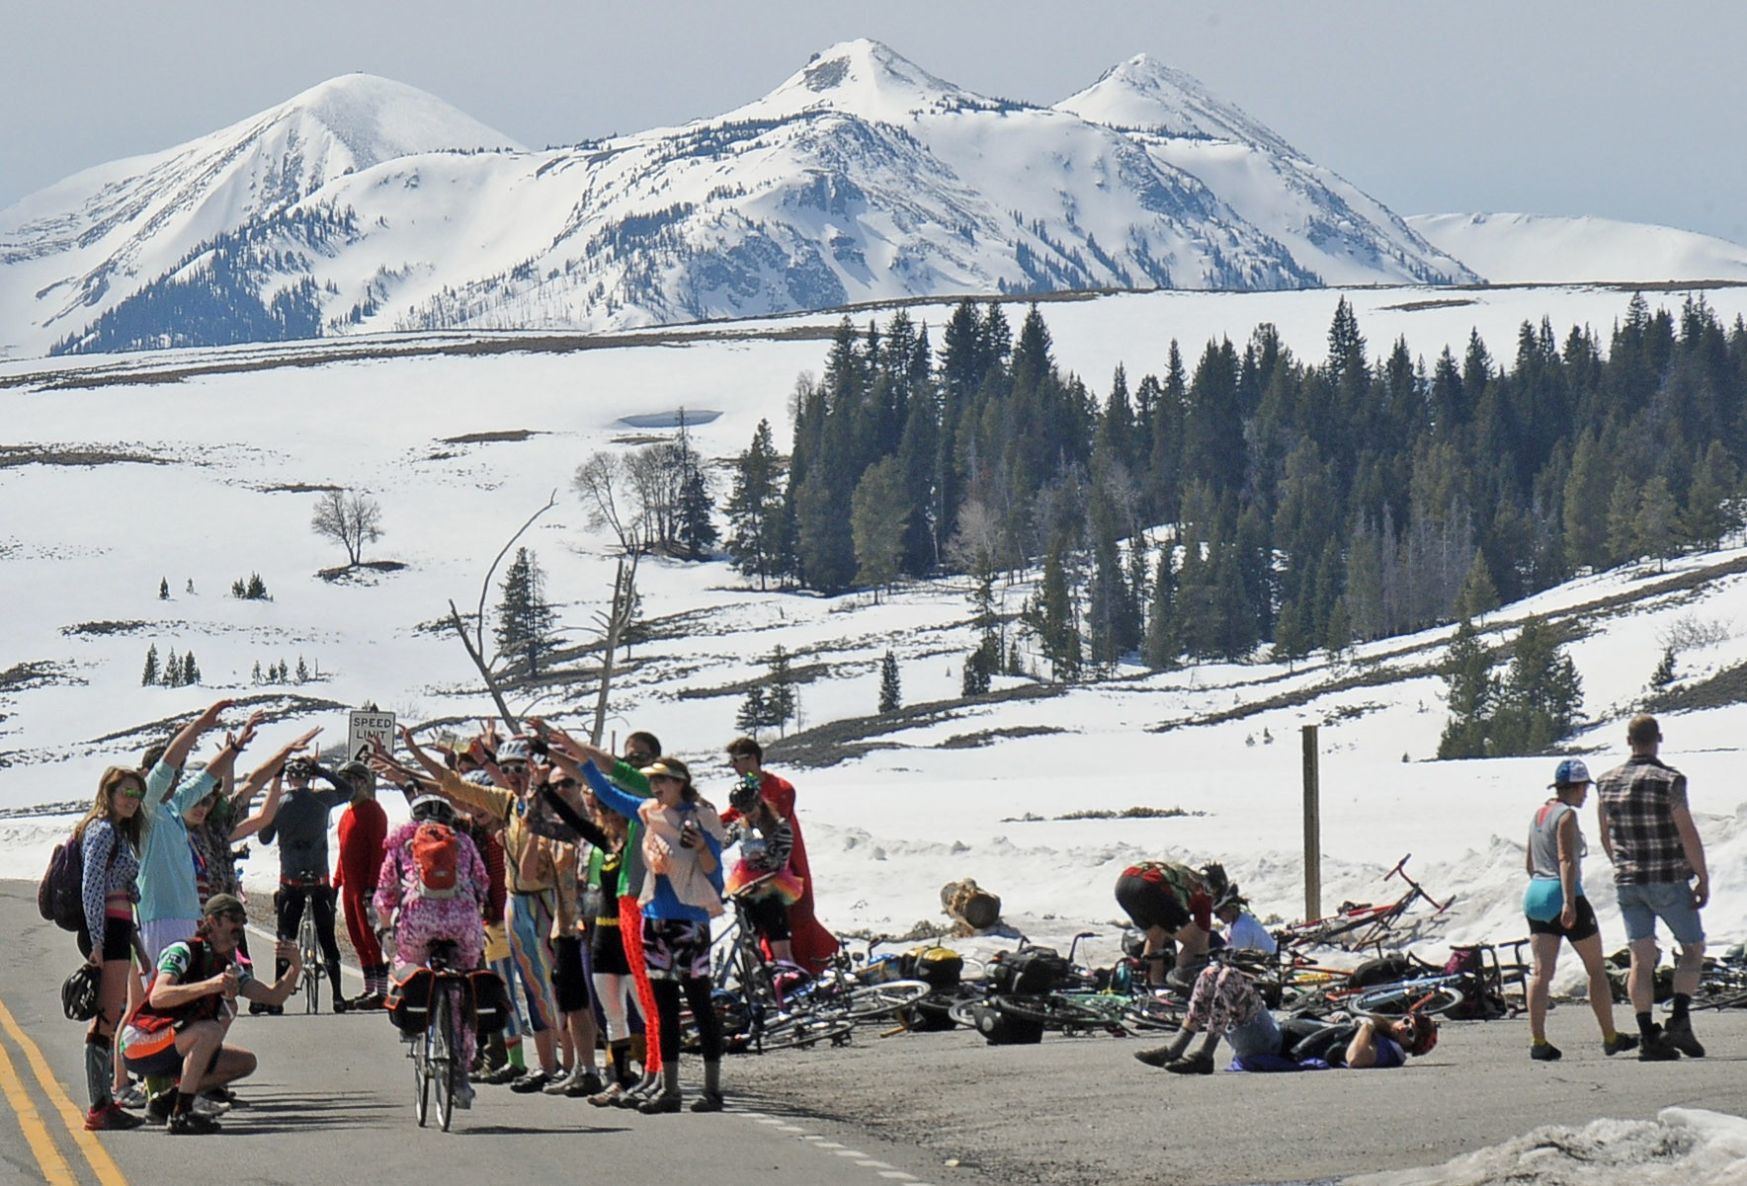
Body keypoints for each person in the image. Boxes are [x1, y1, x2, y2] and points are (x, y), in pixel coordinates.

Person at [576, 754, 728, 1114]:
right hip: (655, 919)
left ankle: (712, 1089)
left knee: (701, 1003)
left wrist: (702, 847)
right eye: (653, 782)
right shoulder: (648, 812)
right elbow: (608, 795)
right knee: (663, 1006)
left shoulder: (703, 816)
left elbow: (715, 873)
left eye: (662, 781)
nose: (656, 788)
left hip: (690, 921)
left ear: (680, 782)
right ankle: (670, 1089)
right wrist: (582, 762)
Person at [119, 894, 301, 1134]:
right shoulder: (183, 951)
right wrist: (212, 985)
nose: (239, 927)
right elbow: (158, 996)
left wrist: (295, 968)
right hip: (141, 1042)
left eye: (243, 921)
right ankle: (181, 1115)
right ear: (212, 922)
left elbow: (272, 996)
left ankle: (168, 1101)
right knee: (210, 1030)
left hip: (176, 1043)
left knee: (245, 1062)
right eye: (233, 919)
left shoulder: (226, 966)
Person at [1596, 714, 1710, 1061]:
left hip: (1628, 881)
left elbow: (1605, 835)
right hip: (1666, 877)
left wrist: (1622, 864)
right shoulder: (1670, 781)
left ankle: (1648, 1035)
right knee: (1692, 948)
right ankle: (1679, 1018)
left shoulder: (1606, 782)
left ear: (1629, 741)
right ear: (1658, 738)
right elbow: (1686, 831)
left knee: (1640, 958)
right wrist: (1702, 876)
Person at [375, 794, 489, 1109]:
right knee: (464, 986)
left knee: (405, 964)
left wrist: (386, 929)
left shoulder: (403, 843)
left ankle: (411, 1022)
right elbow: (483, 881)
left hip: (418, 920)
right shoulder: (463, 843)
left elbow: (385, 890)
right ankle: (462, 1074)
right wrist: (471, 910)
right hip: (462, 922)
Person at [1523, 758, 1637, 1060]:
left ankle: (1538, 1040)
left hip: (1535, 893)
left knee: (1540, 973)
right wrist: (1569, 901)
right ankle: (1610, 1036)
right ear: (1573, 788)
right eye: (1584, 788)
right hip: (1561, 893)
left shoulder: (1539, 813)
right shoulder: (1567, 816)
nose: (1586, 795)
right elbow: (1566, 859)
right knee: (1596, 968)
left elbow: (1530, 863)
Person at [724, 736, 837, 973]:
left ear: (752, 759)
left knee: (794, 918)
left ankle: (803, 969)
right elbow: (729, 819)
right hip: (754, 873)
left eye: (737, 760)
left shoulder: (781, 788)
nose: (733, 766)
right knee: (756, 926)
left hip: (784, 865)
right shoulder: (744, 795)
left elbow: (774, 823)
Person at [76, 767, 149, 1130]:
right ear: (108, 791)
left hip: (119, 929)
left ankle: (103, 1100)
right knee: (106, 1016)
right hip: (107, 931)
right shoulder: (102, 830)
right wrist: (97, 942)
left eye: (137, 795)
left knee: (109, 1012)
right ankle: (99, 1104)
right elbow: (91, 886)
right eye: (126, 792)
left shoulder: (117, 831)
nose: (132, 801)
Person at [259, 757, 351, 1013]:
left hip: (290, 878)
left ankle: (277, 1001)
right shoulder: (322, 798)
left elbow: (264, 838)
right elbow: (348, 790)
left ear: (289, 779)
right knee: (327, 937)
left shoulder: (279, 804)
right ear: (309, 778)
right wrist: (322, 770)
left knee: (286, 937)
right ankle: (338, 996)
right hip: (319, 877)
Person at [1134, 961, 1281, 1073]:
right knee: (1210, 973)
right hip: (1250, 1038)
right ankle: (1175, 1049)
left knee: (1229, 976)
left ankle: (1206, 1053)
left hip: (1266, 1041)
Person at [723, 775, 803, 966]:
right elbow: (722, 843)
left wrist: (762, 855)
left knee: (779, 941)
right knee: (749, 943)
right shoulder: (740, 827)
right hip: (746, 888)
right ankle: (754, 983)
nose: (746, 814)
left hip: (771, 886)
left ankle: (787, 977)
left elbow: (781, 860)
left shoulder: (779, 826)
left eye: (749, 808)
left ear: (759, 800)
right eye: (741, 810)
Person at [1114, 860, 1226, 984]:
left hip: (1124, 885)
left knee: (1156, 937)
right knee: (1196, 942)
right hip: (1149, 888)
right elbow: (1203, 938)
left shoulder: (1186, 872)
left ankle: (1154, 985)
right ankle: (1180, 984)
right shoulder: (1205, 893)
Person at [334, 761, 390, 1008]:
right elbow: (344, 852)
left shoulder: (373, 811)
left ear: (363, 782)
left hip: (366, 886)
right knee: (357, 937)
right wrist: (336, 882)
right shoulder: (347, 813)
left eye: (351, 780)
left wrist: (372, 885)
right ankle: (369, 989)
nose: (347, 785)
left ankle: (381, 991)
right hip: (350, 885)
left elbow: (380, 851)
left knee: (371, 937)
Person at [1213, 884, 1276, 956]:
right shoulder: (1243, 918)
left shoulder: (1240, 929)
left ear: (1231, 908)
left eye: (1218, 913)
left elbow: (1239, 959)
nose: (1216, 917)